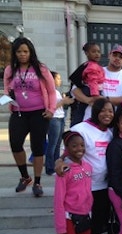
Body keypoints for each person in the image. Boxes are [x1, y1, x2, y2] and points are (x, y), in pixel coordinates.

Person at [57, 98, 118, 234]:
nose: (108, 114)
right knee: (81, 226)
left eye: (111, 111)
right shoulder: (81, 129)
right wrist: (59, 161)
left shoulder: (110, 132)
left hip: (102, 186)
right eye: (104, 110)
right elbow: (67, 149)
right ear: (96, 111)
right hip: (83, 187)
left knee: (97, 224)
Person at [3, 37, 57, 197]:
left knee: (37, 147)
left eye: (25, 51)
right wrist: (8, 96)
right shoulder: (10, 70)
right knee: (15, 143)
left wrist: (51, 109)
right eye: (19, 51)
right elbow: (7, 89)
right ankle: (25, 177)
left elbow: (52, 91)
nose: (22, 54)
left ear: (31, 52)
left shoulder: (41, 69)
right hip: (19, 112)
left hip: (39, 113)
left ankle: (38, 182)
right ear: (14, 53)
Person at [71, 44, 122, 124]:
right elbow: (75, 89)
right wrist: (88, 100)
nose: (117, 58)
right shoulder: (95, 70)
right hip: (91, 117)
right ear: (109, 55)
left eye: (120, 57)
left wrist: (104, 100)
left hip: (115, 120)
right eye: (114, 55)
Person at [45, 71, 74, 176]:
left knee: (57, 144)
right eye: (58, 78)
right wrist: (62, 102)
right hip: (54, 119)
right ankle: (49, 168)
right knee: (52, 144)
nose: (60, 80)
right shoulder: (48, 91)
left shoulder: (56, 91)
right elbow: (50, 107)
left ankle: (57, 165)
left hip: (60, 117)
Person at [68, 42, 105, 123]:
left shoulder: (88, 64)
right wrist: (95, 95)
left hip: (88, 90)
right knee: (82, 110)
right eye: (93, 51)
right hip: (89, 90)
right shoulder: (92, 67)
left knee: (81, 110)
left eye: (98, 51)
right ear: (86, 53)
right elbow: (93, 81)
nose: (97, 54)